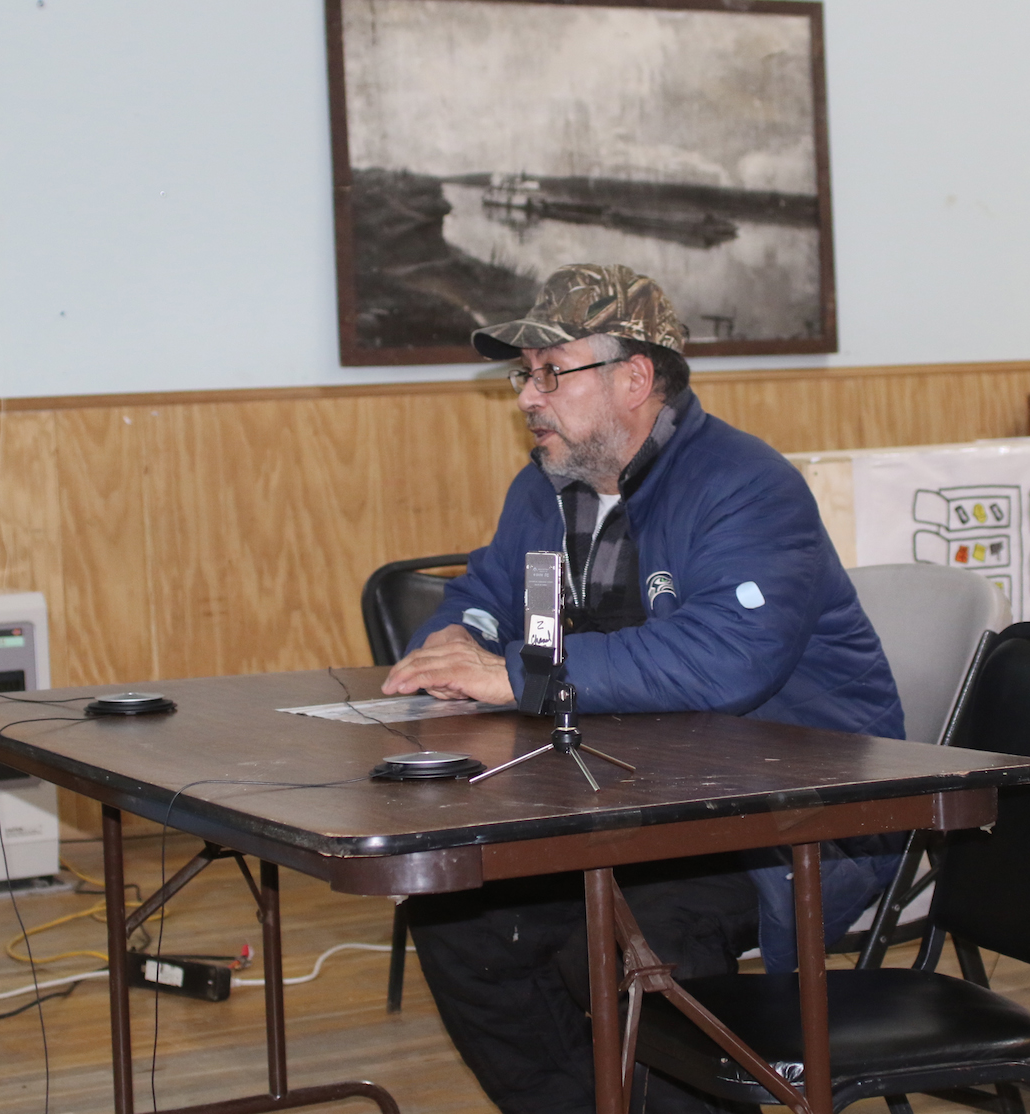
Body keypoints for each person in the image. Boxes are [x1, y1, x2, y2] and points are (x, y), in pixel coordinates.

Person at [380, 263, 905, 1114]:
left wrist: (515, 673)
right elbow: (481, 595)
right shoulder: (544, 490)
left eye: (552, 372)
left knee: (636, 934)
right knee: (461, 919)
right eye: (523, 374)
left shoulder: (746, 486)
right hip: (624, 798)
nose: (526, 397)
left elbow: (725, 660)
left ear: (635, 378)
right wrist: (457, 640)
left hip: (785, 814)